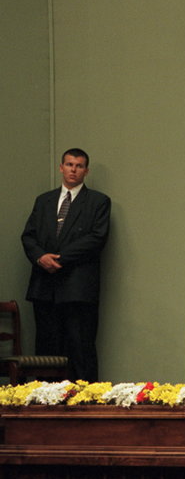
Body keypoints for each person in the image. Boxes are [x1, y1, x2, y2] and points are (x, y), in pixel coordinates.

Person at [21, 148, 111, 382]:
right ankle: (46, 405)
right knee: (47, 349)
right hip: (45, 288)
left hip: (78, 288)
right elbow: (28, 236)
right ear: (61, 167)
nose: (73, 170)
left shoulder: (98, 201)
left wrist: (57, 259)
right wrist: (41, 257)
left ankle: (86, 404)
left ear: (86, 171)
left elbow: (96, 239)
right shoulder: (44, 200)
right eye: (69, 164)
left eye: (79, 166)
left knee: (80, 349)